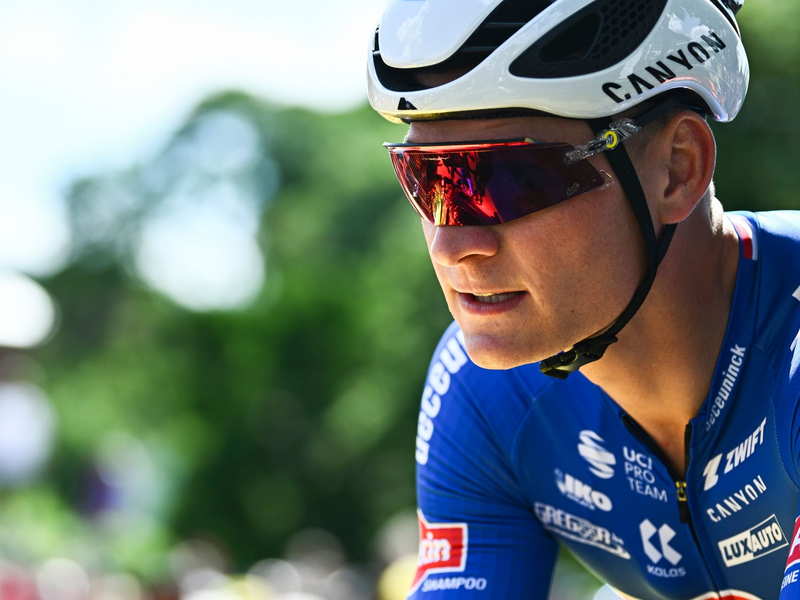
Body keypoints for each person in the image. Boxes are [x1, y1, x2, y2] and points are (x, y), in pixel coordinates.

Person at [366, 0, 800, 598]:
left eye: (504, 181)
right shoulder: (484, 394)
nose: (450, 246)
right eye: (424, 181)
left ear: (677, 169)